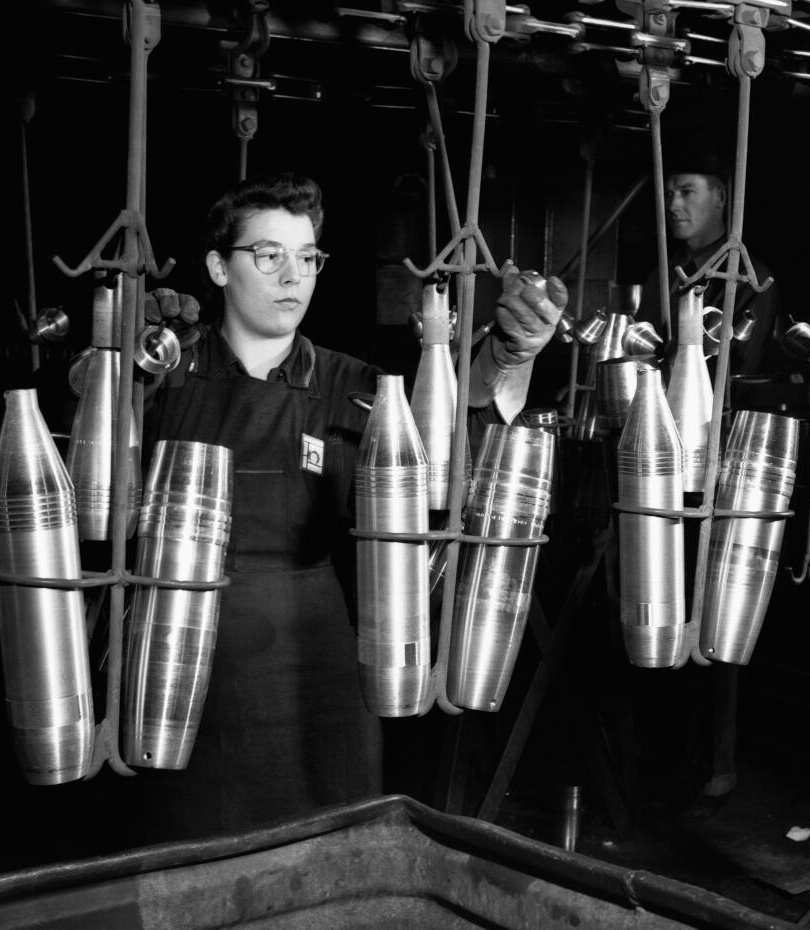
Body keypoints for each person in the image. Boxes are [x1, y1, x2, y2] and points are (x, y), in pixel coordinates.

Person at [139, 172, 566, 839]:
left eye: (307, 257)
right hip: (184, 655)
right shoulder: (167, 369)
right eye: (268, 254)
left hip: (319, 657)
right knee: (197, 850)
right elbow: (84, 418)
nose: (292, 276)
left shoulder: (350, 382)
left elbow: (450, 424)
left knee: (331, 843)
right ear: (220, 268)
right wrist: (117, 355)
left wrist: (508, 352)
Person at [636, 147, 784, 410]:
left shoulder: (750, 279)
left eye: (687, 192)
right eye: (669, 193)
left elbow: (740, 379)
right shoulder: (661, 274)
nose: (672, 205)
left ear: (720, 197)